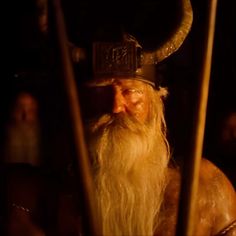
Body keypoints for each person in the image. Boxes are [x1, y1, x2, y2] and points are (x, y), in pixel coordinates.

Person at [5, 0, 236, 236]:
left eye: (131, 92)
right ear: (79, 105)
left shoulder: (205, 193)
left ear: (155, 105)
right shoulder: (29, 201)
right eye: (100, 91)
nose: (115, 106)